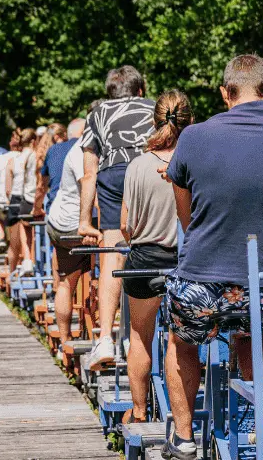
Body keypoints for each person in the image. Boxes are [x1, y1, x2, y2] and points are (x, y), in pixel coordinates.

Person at [161, 55, 263, 460]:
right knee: (256, 332)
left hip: (202, 282)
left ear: (224, 93)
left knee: (181, 341)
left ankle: (183, 437)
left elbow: (185, 214)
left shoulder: (193, 137)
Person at [120, 90, 193, 424]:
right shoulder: (193, 161)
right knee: (182, 340)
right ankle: (183, 416)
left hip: (144, 259)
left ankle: (138, 412)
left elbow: (125, 226)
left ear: (154, 119)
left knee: (139, 336)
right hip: (182, 260)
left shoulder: (137, 165)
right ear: (189, 120)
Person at [79, 66, 156, 371]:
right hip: (152, 171)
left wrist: (85, 220)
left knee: (113, 251)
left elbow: (88, 173)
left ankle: (106, 339)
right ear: (141, 89)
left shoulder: (97, 114)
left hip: (114, 176)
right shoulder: (154, 107)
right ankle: (154, 333)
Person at [45, 119, 90, 363]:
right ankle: (99, 333)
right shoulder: (87, 150)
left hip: (58, 221)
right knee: (104, 267)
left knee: (65, 282)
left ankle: (65, 342)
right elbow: (88, 189)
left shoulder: (62, 149)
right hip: (74, 225)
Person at [35, 120, 83, 219]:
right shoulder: (80, 148)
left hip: (55, 206)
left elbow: (41, 186)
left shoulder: (48, 152)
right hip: (78, 206)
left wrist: (36, 208)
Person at [7, 128, 38, 275]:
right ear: (33, 141)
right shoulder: (36, 155)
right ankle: (31, 260)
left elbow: (9, 186)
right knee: (34, 233)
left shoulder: (14, 159)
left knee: (18, 237)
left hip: (18, 196)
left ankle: (22, 264)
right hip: (33, 196)